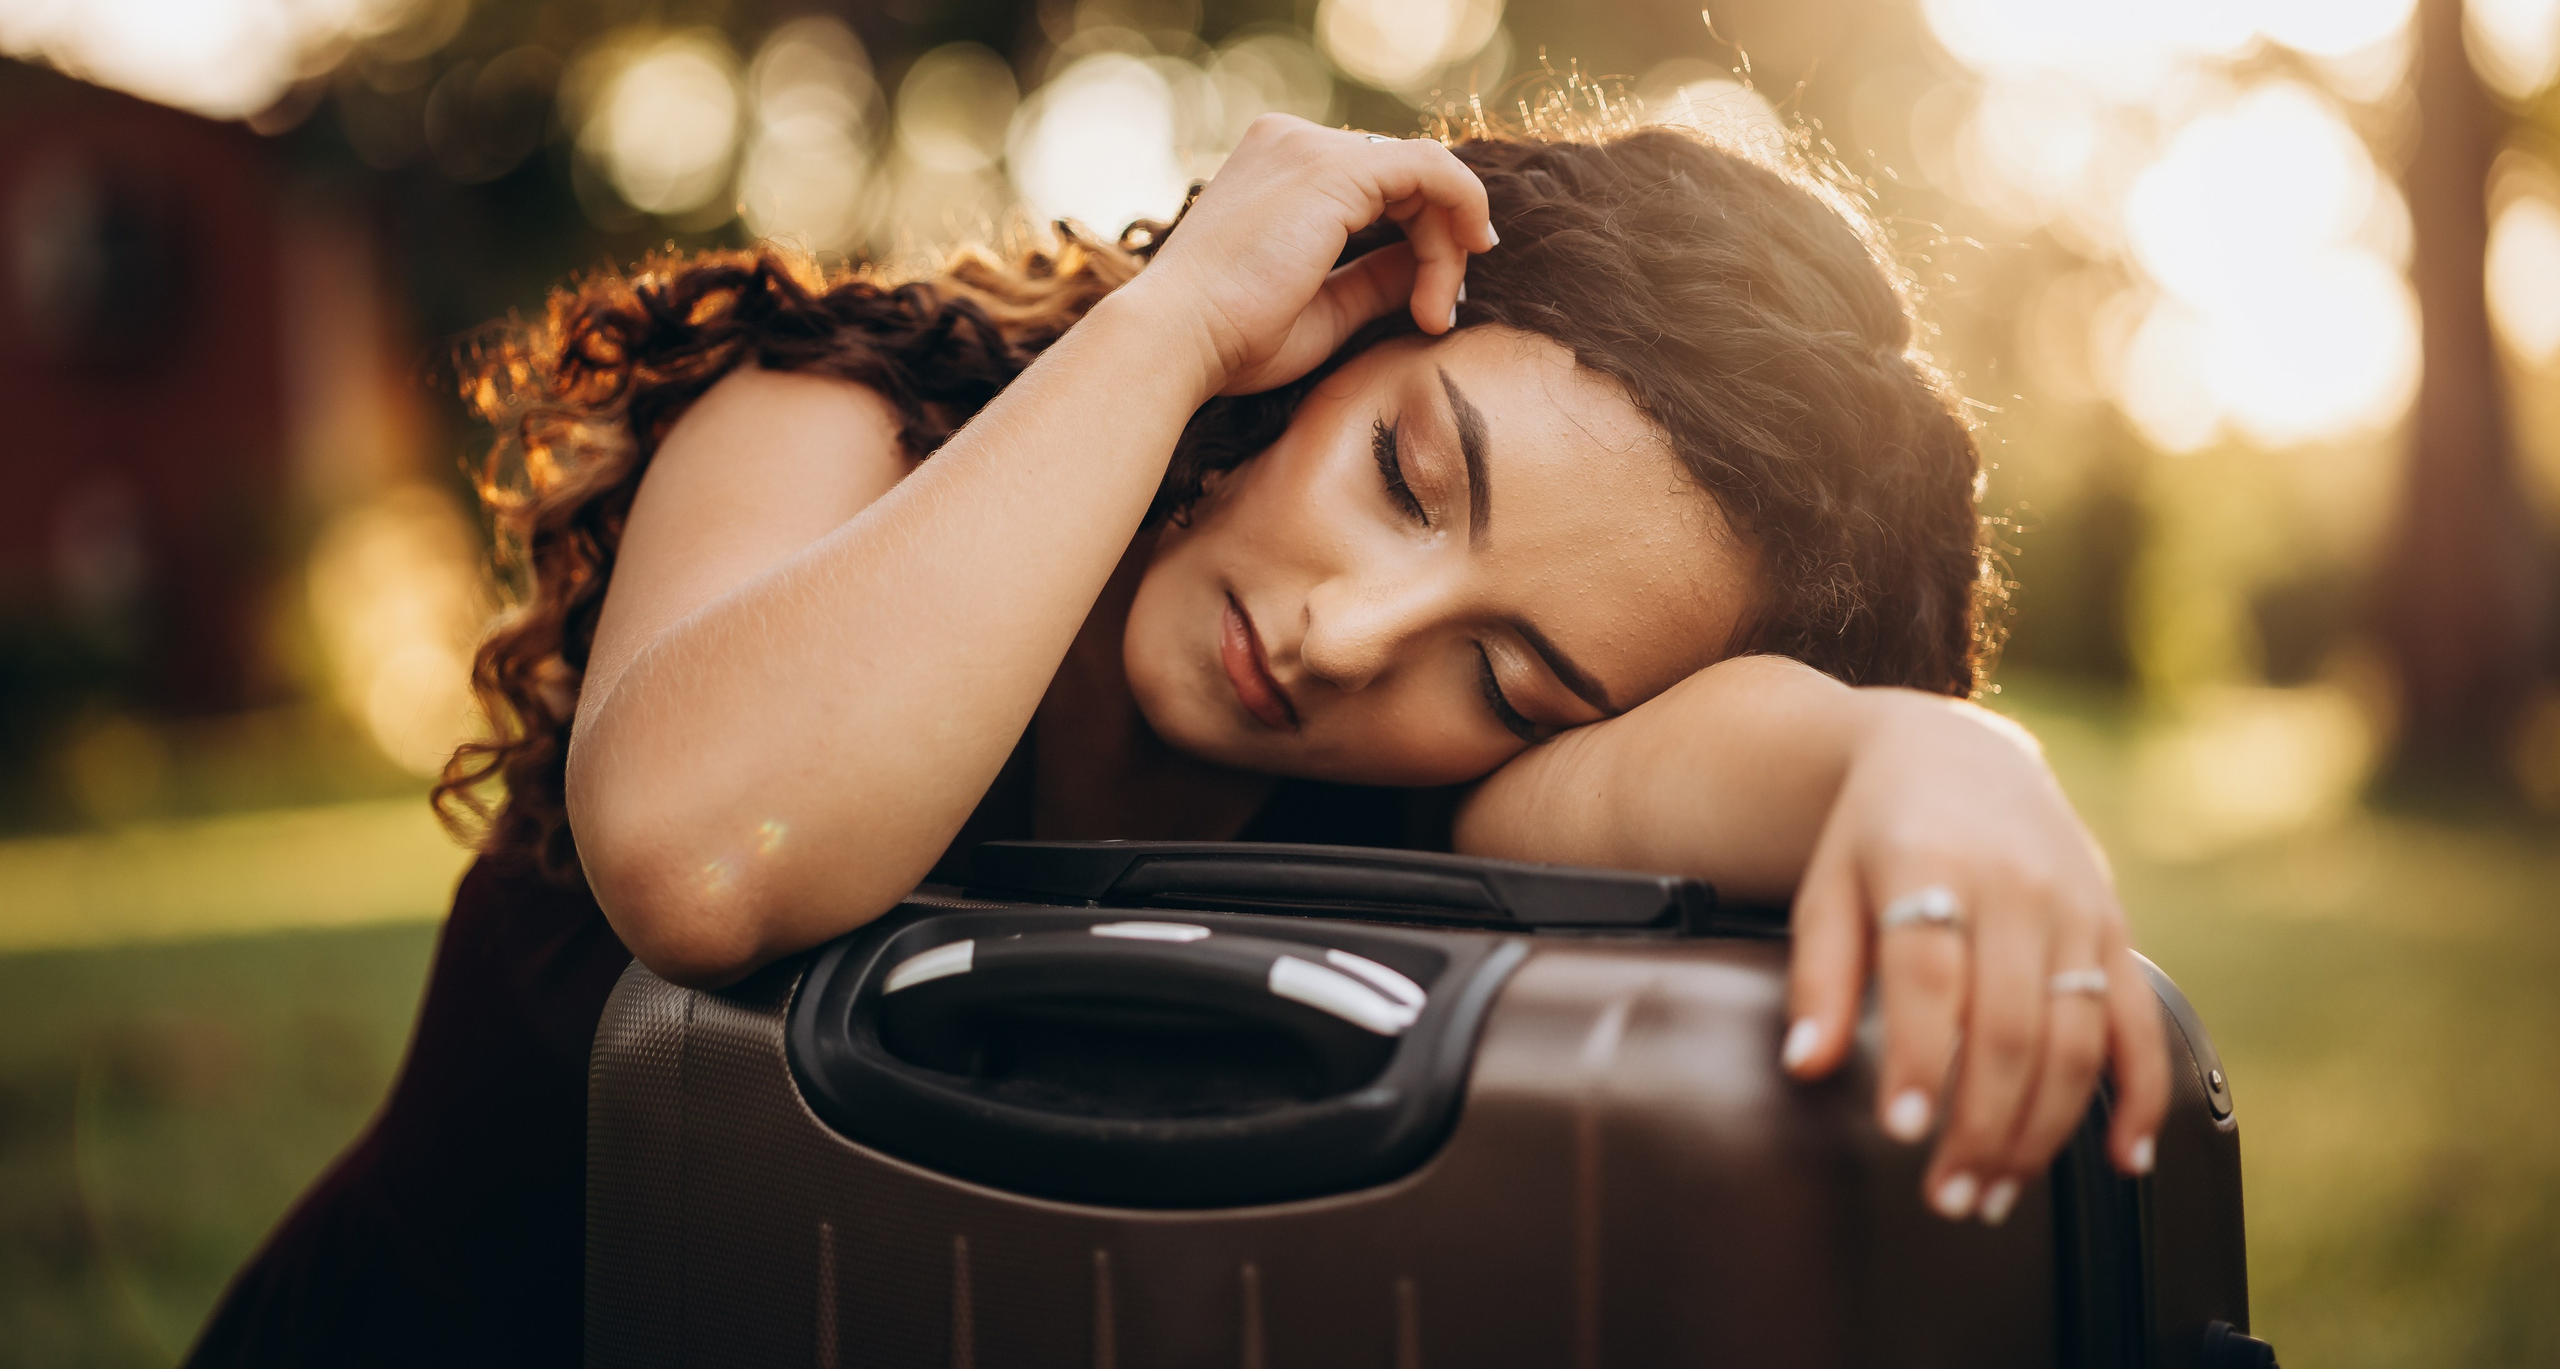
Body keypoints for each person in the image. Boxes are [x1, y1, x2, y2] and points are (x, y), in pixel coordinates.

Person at [188, 106, 2167, 1366]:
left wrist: (1939, 766)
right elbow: (708, 852)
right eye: (1406, 471)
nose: (1344, 638)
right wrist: (1174, 323)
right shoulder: (841, 421)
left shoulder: (1449, 792)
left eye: (1510, 672)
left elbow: (1735, 745)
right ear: (1341, 316)